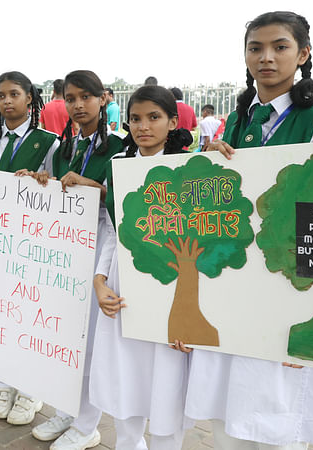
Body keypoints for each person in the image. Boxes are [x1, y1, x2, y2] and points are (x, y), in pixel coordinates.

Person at [189, 11, 313, 450]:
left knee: (276, 412)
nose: (267, 58)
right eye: (256, 48)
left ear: (303, 54)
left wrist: (311, 315)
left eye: (280, 47)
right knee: (228, 412)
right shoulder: (237, 122)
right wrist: (209, 165)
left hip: (287, 284)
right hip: (236, 279)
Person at [91, 85, 194, 449]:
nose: (143, 126)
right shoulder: (118, 165)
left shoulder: (189, 168)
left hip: (174, 281)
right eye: (135, 118)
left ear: (172, 121)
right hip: (125, 280)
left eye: (154, 117)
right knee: (126, 378)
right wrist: (100, 280)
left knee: (167, 381)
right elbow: (110, 228)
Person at [32, 70, 124, 449]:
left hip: (99, 244)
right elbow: (55, 190)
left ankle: (87, 424)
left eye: (86, 97)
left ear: (103, 98)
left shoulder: (120, 145)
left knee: (88, 341)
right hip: (66, 247)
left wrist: (97, 188)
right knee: (65, 334)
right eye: (71, 98)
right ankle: (67, 409)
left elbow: (125, 198)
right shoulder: (63, 146)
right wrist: (36, 180)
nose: (77, 105)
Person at [0, 70, 60, 427]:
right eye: (1, 95)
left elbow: (59, 190)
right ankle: (3, 384)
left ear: (30, 99)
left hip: (33, 245)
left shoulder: (48, 141)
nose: (7, 101)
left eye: (14, 94)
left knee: (30, 314)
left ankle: (31, 388)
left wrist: (44, 182)